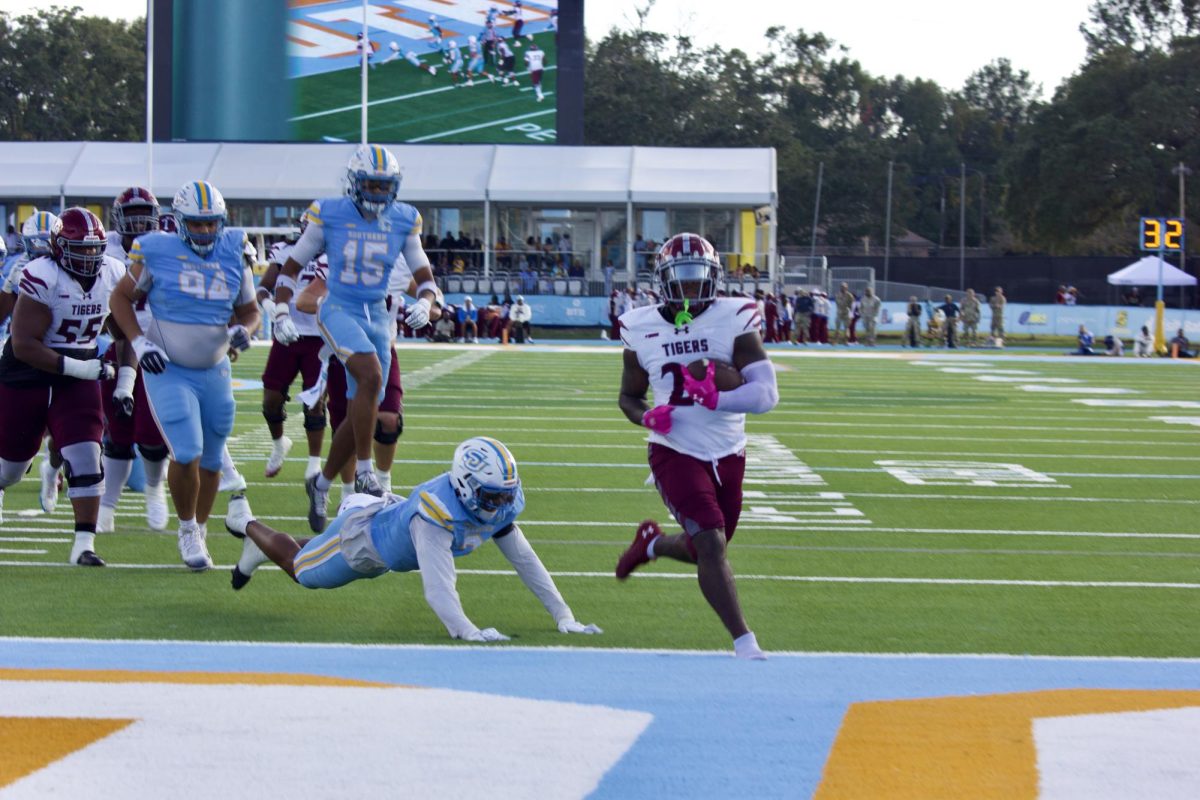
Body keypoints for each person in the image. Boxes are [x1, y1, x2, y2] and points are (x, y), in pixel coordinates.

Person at [224, 437, 604, 643]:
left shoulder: (494, 505)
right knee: (302, 570)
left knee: (320, 554)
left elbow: (525, 560)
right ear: (466, 486)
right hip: (361, 539)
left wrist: (564, 616)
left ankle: (275, 539)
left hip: (385, 533)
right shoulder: (435, 517)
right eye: (493, 497)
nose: (502, 504)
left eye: (506, 494)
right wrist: (466, 630)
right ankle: (249, 526)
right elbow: (439, 588)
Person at [615, 233, 779, 660]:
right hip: (674, 449)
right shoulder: (638, 325)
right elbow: (629, 397)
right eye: (681, 279)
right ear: (663, 280)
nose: (690, 288)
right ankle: (745, 642)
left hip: (729, 450)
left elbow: (767, 395)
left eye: (698, 278)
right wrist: (646, 416)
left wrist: (717, 397)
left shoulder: (736, 317)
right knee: (709, 542)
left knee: (710, 546)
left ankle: (651, 544)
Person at [272, 144, 439, 529]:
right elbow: (290, 268)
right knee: (372, 377)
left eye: (385, 186)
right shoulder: (329, 214)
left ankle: (323, 482)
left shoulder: (404, 218)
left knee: (359, 409)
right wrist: (281, 310)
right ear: (354, 184)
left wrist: (427, 301)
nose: (379, 194)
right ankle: (365, 473)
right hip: (340, 308)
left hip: (377, 316)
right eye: (372, 185)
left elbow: (425, 275)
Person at [109, 181, 260, 571]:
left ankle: (202, 527)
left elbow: (250, 310)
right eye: (197, 224)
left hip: (215, 368)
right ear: (179, 222)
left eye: (211, 224)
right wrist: (140, 344)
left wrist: (246, 331)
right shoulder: (155, 250)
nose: (206, 232)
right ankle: (187, 527)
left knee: (211, 459)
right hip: (168, 367)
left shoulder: (234, 249)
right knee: (187, 450)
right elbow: (120, 298)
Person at [0, 208, 125, 565]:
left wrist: (125, 383)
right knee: (9, 468)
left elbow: (125, 332)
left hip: (78, 375)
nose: (88, 256)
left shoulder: (113, 274)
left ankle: (84, 545)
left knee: (88, 454)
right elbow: (23, 343)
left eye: (93, 248)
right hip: (26, 374)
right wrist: (82, 369)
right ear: (58, 247)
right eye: (79, 249)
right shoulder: (42, 275)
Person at [97, 187, 172, 534]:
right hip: (119, 343)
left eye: (146, 214)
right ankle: (107, 505)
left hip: (160, 348)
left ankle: (155, 490)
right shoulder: (104, 247)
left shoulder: (167, 246)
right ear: (118, 219)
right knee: (117, 432)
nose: (140, 221)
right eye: (132, 215)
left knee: (153, 434)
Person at [256, 213, 328, 481]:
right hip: (286, 336)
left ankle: (314, 463)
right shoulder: (286, 251)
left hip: (320, 337)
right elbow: (263, 289)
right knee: (271, 400)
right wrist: (272, 310)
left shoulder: (335, 255)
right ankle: (278, 445)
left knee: (315, 402)